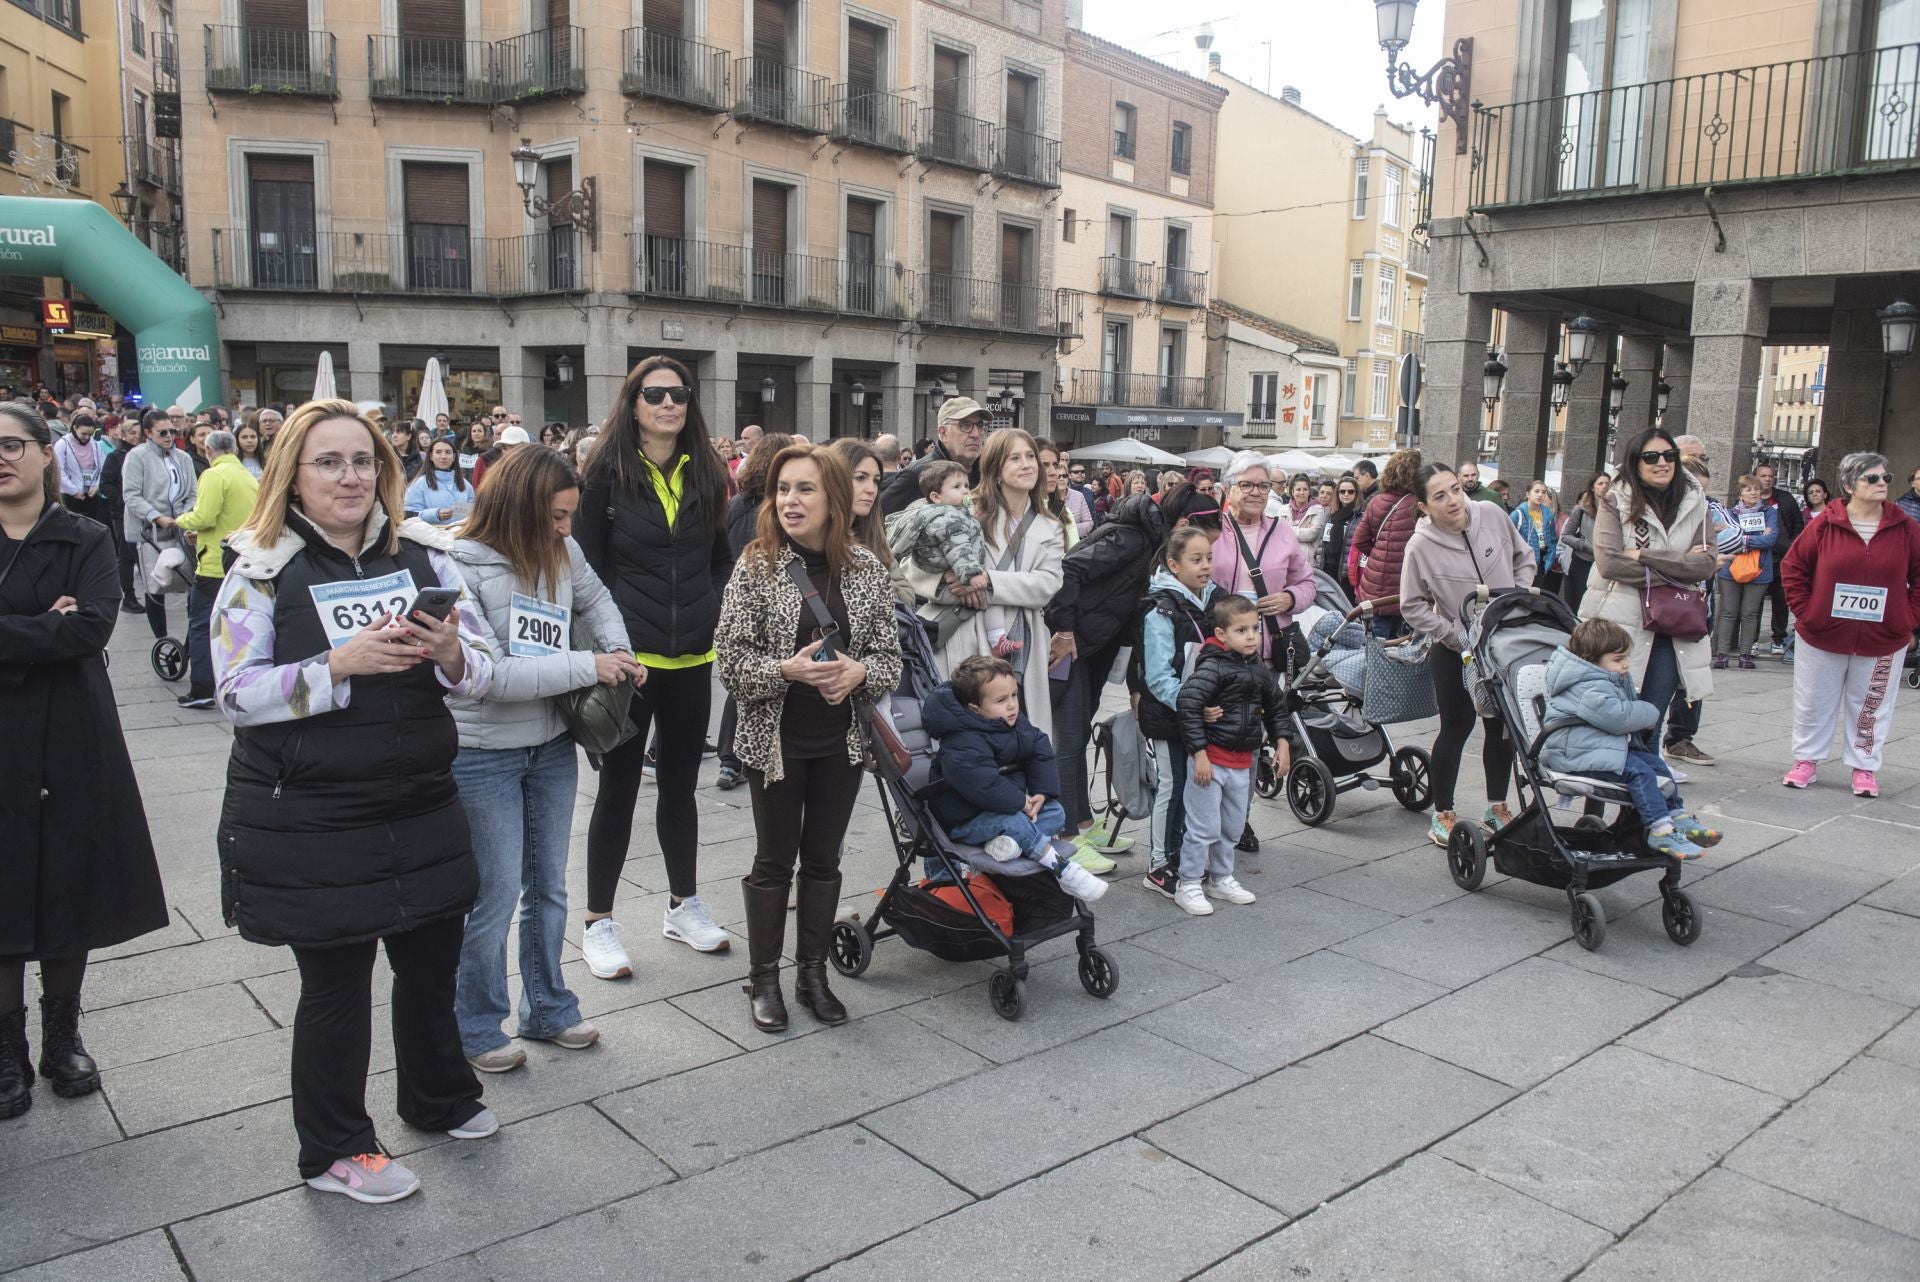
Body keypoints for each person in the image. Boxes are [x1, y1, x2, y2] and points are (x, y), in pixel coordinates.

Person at [211, 398, 497, 1204]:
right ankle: (336, 1149)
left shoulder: (428, 556)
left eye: (363, 461)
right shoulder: (257, 568)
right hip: (310, 812)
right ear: (293, 477)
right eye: (329, 462)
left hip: (419, 798)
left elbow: (481, 669)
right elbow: (235, 695)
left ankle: (439, 1097)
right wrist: (336, 666)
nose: (350, 476)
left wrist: (450, 652)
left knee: (431, 962)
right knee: (336, 984)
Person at [435, 446, 642, 1073]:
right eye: (555, 516)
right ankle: (475, 1025)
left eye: (570, 516)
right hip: (483, 752)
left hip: (550, 743)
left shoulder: (563, 551)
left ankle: (549, 1006)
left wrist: (620, 651)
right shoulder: (455, 565)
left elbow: (598, 601)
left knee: (548, 885)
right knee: (494, 892)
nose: (565, 530)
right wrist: (593, 665)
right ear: (518, 506)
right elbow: (488, 675)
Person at [0, 401, 168, 1120]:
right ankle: (5, 1050)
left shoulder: (87, 535)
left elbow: (94, 626)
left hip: (74, 730)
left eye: (12, 443)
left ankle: (61, 1036)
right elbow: (63, 633)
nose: (1, 456)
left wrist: (24, 634)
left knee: (71, 880)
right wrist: (46, 627)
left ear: (44, 454)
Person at [714, 442, 902, 1032]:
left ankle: (812, 975)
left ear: (834, 500)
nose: (790, 501)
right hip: (776, 739)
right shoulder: (757, 564)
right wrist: (787, 670)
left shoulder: (867, 569)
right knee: (774, 860)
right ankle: (764, 978)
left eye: (805, 489)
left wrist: (860, 671)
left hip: (841, 739)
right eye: (782, 489)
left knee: (823, 860)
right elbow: (731, 662)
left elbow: (891, 658)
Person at [575, 356, 736, 977]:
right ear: (633, 403)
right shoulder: (607, 477)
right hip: (629, 660)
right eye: (655, 394)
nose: (668, 404)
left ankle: (682, 904)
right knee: (617, 787)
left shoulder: (707, 474)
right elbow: (584, 570)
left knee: (680, 786)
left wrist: (715, 607)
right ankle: (599, 923)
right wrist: (605, 648)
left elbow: (721, 557)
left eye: (679, 394)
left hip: (694, 655)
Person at [1045, 483, 1222, 861]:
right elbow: (1070, 569)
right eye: (1201, 547)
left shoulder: (1155, 543)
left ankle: (1082, 825)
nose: (1206, 560)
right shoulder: (1132, 539)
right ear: (1185, 523)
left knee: (1078, 734)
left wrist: (1135, 687)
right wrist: (1064, 630)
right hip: (1072, 643)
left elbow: (1131, 619)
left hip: (1096, 645)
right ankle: (1064, 838)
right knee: (1071, 737)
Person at [1398, 463, 1535, 846]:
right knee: (1456, 726)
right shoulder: (1420, 545)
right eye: (1439, 496)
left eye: (1455, 489)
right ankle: (1443, 812)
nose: (1453, 500)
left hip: (1504, 641)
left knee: (1502, 726)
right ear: (1424, 506)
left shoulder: (1491, 513)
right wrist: (1455, 635)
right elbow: (1412, 606)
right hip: (1455, 649)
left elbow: (1525, 558)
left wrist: (1516, 600)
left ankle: (1497, 806)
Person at [1779, 452, 1920, 797]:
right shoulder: (1825, 523)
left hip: (1883, 637)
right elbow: (1793, 567)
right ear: (1848, 485)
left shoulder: (1906, 527)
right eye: (1870, 479)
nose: (1881, 484)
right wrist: (1807, 612)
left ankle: (1865, 766)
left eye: (1885, 478)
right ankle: (1806, 760)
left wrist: (1908, 619)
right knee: (1814, 700)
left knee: (1871, 703)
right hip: (1822, 632)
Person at [916, 429, 1065, 741]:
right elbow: (913, 562)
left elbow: (1048, 583)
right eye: (1015, 458)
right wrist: (945, 580)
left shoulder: (1049, 525)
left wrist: (987, 581)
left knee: (1019, 730)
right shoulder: (963, 507)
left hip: (1022, 638)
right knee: (968, 730)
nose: (1027, 465)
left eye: (1030, 457)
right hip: (966, 632)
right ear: (996, 467)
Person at [1579, 427, 1719, 760]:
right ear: (1635, 461)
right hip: (1621, 620)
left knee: (1651, 721)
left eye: (1669, 456)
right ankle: (1617, 796)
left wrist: (1642, 555)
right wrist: (1679, 565)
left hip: (1675, 624)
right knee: (1617, 718)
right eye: (1651, 457)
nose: (1662, 463)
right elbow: (1610, 562)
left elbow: (1706, 564)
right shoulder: (1615, 498)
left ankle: (1641, 806)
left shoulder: (1694, 498)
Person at [923, 656, 1106, 902]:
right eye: (1001, 700)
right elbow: (982, 784)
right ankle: (1062, 868)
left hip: (1008, 807)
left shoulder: (1012, 722)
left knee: (1055, 812)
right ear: (974, 707)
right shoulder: (960, 740)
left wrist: (1041, 793)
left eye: (1013, 696)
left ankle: (1010, 844)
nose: (1011, 705)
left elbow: (1039, 747)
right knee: (1013, 822)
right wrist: (1020, 802)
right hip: (965, 818)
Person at [1541, 619, 1723, 858]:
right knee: (1640, 772)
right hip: (1576, 754)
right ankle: (1660, 828)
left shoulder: (1604, 678)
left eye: (1626, 657)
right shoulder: (1587, 686)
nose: (1626, 665)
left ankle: (1677, 816)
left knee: (1656, 763)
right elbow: (1618, 718)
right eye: (1618, 660)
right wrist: (1651, 712)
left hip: (1598, 749)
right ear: (1591, 659)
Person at [1171, 595, 1283, 915]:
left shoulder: (1257, 668)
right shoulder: (1213, 665)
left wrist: (1284, 742)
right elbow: (1188, 705)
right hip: (1211, 761)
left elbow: (1276, 706)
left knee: (1232, 826)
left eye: (1255, 629)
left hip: (1241, 763)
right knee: (1204, 827)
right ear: (1221, 635)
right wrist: (1200, 754)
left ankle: (1221, 877)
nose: (1251, 636)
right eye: (1241, 630)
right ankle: (1189, 882)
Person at [1131, 525, 1221, 897]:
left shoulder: (1212, 599)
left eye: (1209, 558)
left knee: (1192, 786)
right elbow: (1158, 676)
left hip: (1200, 714)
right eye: (1195, 559)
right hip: (1168, 717)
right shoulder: (1160, 610)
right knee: (1172, 784)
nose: (1205, 566)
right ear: (1173, 563)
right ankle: (1158, 864)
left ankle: (1183, 850)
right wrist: (1193, 706)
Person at [716, 433, 798, 791]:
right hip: (764, 598)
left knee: (744, 679)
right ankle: (738, 757)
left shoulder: (737, 504)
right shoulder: (771, 508)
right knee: (758, 679)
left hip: (734, 594)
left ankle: (729, 758)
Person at [887, 461, 1021, 656]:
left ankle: (996, 638)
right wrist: (973, 576)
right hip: (950, 586)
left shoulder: (940, 514)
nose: (965, 491)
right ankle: (997, 639)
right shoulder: (949, 519)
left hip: (943, 585)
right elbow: (959, 550)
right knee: (991, 595)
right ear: (936, 496)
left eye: (966, 486)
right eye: (957, 487)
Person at [171, 430, 259, 710]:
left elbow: (204, 516)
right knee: (237, 626)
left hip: (213, 565)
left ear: (208, 451)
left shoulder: (214, 475)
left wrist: (180, 521)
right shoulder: (247, 477)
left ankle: (202, 688)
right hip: (242, 559)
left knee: (200, 625)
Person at [1213, 450, 1316, 682]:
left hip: (1269, 651)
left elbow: (1307, 583)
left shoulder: (1282, 532)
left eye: (1263, 486)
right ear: (1228, 489)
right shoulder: (1211, 531)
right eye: (1246, 485)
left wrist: (1289, 598)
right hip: (1218, 651)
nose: (1256, 493)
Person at [120, 407, 198, 648]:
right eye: (162, 432)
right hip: (148, 530)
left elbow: (193, 492)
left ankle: (189, 637)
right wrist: (156, 516)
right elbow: (131, 495)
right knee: (155, 583)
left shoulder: (182, 457)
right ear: (148, 433)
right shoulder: (137, 456)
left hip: (180, 526)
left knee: (188, 578)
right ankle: (161, 641)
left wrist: (184, 514)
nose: (169, 436)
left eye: (172, 431)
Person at [1349, 448, 1423, 636]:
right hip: (1406, 583)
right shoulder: (1420, 504)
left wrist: (1378, 554)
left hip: (1375, 585)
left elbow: (1359, 540)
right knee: (1405, 644)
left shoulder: (1376, 501)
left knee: (1376, 645)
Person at [1712, 475, 1781, 670]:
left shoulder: (1770, 512)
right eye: (1749, 489)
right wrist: (1755, 538)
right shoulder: (1729, 513)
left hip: (1759, 569)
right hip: (1730, 568)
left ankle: (1745, 655)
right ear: (1740, 493)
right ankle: (1722, 654)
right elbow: (1723, 538)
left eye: (1756, 489)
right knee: (1727, 612)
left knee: (1750, 614)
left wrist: (1742, 540)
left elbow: (1771, 540)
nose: (1753, 493)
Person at [881, 397, 988, 516]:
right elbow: (876, 519)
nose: (976, 434)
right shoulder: (918, 474)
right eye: (966, 425)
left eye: (980, 425)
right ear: (943, 432)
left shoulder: (988, 472)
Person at [1754, 462, 1805, 656]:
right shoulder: (1751, 497)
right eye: (1763, 475)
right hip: (1758, 558)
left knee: (1781, 600)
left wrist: (1792, 546)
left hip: (1783, 558)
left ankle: (1778, 638)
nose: (1767, 479)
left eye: (1771, 476)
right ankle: (1752, 640)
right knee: (1755, 602)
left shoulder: (1785, 498)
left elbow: (1798, 524)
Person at [98, 415, 145, 611]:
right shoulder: (115, 457)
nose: (135, 436)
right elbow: (105, 484)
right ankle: (128, 596)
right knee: (126, 554)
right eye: (131, 433)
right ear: (123, 434)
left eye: (138, 433)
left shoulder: (143, 454)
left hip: (142, 510)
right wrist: (123, 501)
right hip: (122, 513)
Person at [824, 437, 892, 567]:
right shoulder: (812, 538)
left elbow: (900, 584)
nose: (871, 490)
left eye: (876, 481)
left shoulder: (875, 537)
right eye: (860, 478)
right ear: (836, 478)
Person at [1558, 473, 1610, 608]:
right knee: (1579, 603)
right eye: (1600, 483)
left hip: (1605, 563)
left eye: (1607, 483)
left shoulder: (1616, 510)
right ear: (1592, 488)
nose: (1604, 486)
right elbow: (1565, 536)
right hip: (1583, 562)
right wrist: (1585, 545)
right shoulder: (1581, 509)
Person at [52, 410, 107, 522]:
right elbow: (58, 470)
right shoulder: (62, 444)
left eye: (90, 434)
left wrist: (97, 485)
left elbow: (102, 467)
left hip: (91, 494)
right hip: (69, 495)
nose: (87, 437)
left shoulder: (95, 444)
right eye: (84, 434)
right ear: (75, 428)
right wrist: (73, 490)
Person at [1511, 480, 1563, 596]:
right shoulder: (1518, 514)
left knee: (1536, 596)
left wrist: (1548, 562)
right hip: (1523, 560)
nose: (1540, 495)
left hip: (1541, 562)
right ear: (1528, 494)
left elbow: (1552, 540)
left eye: (1543, 492)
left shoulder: (1547, 514)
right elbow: (1507, 538)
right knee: (1521, 594)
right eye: (1537, 491)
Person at [405, 438, 474, 525]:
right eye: (438, 452)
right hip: (429, 536)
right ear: (431, 456)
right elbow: (410, 513)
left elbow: (473, 512)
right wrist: (435, 514)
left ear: (454, 457)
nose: (443, 456)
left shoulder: (466, 485)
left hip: (460, 535)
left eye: (448, 452)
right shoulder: (420, 483)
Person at [1319, 475, 1363, 599]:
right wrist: (1319, 562)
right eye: (1342, 491)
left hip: (1345, 570)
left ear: (1356, 493)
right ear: (1337, 494)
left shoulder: (1360, 515)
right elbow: (1321, 542)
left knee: (1346, 605)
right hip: (1327, 566)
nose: (1346, 494)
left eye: (1350, 491)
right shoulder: (1331, 513)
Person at [1282, 475, 1326, 552]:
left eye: (1305, 489)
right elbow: (1278, 532)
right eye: (1298, 489)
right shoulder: (1283, 509)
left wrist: (1286, 530)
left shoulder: (1318, 510)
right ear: (1292, 491)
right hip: (1285, 555)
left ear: (1309, 491)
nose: (1302, 493)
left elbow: (1311, 534)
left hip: (1306, 559)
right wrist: (1303, 531)